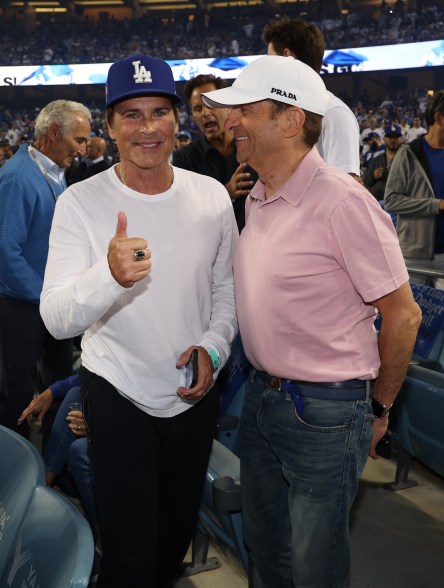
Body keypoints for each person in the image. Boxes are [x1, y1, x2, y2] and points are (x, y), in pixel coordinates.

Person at [201, 55, 422, 587]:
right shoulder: (257, 197)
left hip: (325, 410)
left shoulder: (343, 201)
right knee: (266, 548)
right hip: (262, 398)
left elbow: (404, 314)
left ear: (292, 120)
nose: (230, 123)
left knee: (313, 563)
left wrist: (380, 407)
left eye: (245, 110)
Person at [40, 54, 238, 588]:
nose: (147, 128)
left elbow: (226, 290)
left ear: (179, 119)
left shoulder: (212, 197)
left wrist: (214, 350)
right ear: (108, 125)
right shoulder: (79, 203)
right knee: (128, 554)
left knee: (171, 545)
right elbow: (56, 317)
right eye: (130, 114)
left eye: (158, 112)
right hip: (117, 392)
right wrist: (108, 275)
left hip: (192, 395)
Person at [0, 99, 91, 439]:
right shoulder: (17, 177)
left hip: (50, 301)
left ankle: (54, 462)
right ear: (54, 132)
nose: (82, 149)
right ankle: (13, 472)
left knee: (57, 384)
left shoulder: (51, 170)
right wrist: (45, 297)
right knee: (18, 392)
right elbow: (6, 252)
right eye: (78, 140)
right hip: (24, 305)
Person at [263, 18, 361, 179]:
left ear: (288, 57)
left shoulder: (334, 113)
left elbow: (347, 187)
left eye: (270, 58)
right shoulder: (279, 111)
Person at [172, 74, 257, 231]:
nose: (205, 113)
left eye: (210, 104)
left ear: (227, 106)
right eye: (198, 109)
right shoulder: (184, 159)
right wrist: (226, 194)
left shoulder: (255, 148)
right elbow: (185, 212)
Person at [385, 91, 444, 286]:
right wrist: (436, 205)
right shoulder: (408, 153)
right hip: (414, 256)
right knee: (412, 316)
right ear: (439, 119)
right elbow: (392, 200)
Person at [364, 123, 403, 200]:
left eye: (396, 137)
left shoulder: (408, 158)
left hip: (400, 200)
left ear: (401, 139)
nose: (393, 140)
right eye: (390, 137)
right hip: (380, 202)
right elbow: (366, 180)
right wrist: (373, 176)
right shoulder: (377, 159)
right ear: (384, 139)